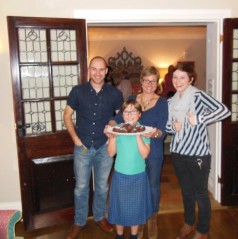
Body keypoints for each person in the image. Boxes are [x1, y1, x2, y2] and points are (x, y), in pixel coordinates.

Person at [166, 63, 231, 239]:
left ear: (191, 79)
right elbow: (168, 127)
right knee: (186, 191)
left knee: (200, 193)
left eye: (182, 77)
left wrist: (199, 118)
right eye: (175, 77)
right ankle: (189, 222)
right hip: (178, 152)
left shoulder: (198, 96)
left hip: (197, 155)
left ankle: (203, 230)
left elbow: (224, 111)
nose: (177, 81)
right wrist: (174, 126)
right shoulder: (171, 101)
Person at [63, 56, 123, 239]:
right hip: (83, 147)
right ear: (89, 71)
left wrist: (113, 124)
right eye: (94, 69)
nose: (97, 73)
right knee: (81, 187)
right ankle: (79, 221)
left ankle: (99, 217)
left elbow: (121, 117)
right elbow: (67, 115)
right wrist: (75, 138)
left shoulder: (114, 93)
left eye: (101, 69)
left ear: (106, 71)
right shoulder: (78, 91)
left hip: (105, 147)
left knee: (103, 186)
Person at [106, 66, 168, 239]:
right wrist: (110, 126)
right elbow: (119, 117)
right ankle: (139, 220)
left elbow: (162, 128)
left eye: (153, 81)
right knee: (139, 189)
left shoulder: (162, 102)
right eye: (146, 80)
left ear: (157, 83)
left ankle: (152, 218)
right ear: (140, 81)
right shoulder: (133, 99)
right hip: (132, 153)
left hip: (153, 149)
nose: (149, 84)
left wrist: (154, 133)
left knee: (153, 186)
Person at [107, 99, 153, 239]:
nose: (130, 114)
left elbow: (145, 154)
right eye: (126, 111)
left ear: (139, 114)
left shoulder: (144, 131)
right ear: (122, 114)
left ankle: (134, 236)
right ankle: (120, 235)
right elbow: (110, 153)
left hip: (138, 176)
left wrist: (137, 135)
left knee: (136, 209)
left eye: (133, 111)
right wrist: (113, 138)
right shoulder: (117, 129)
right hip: (120, 175)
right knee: (119, 207)